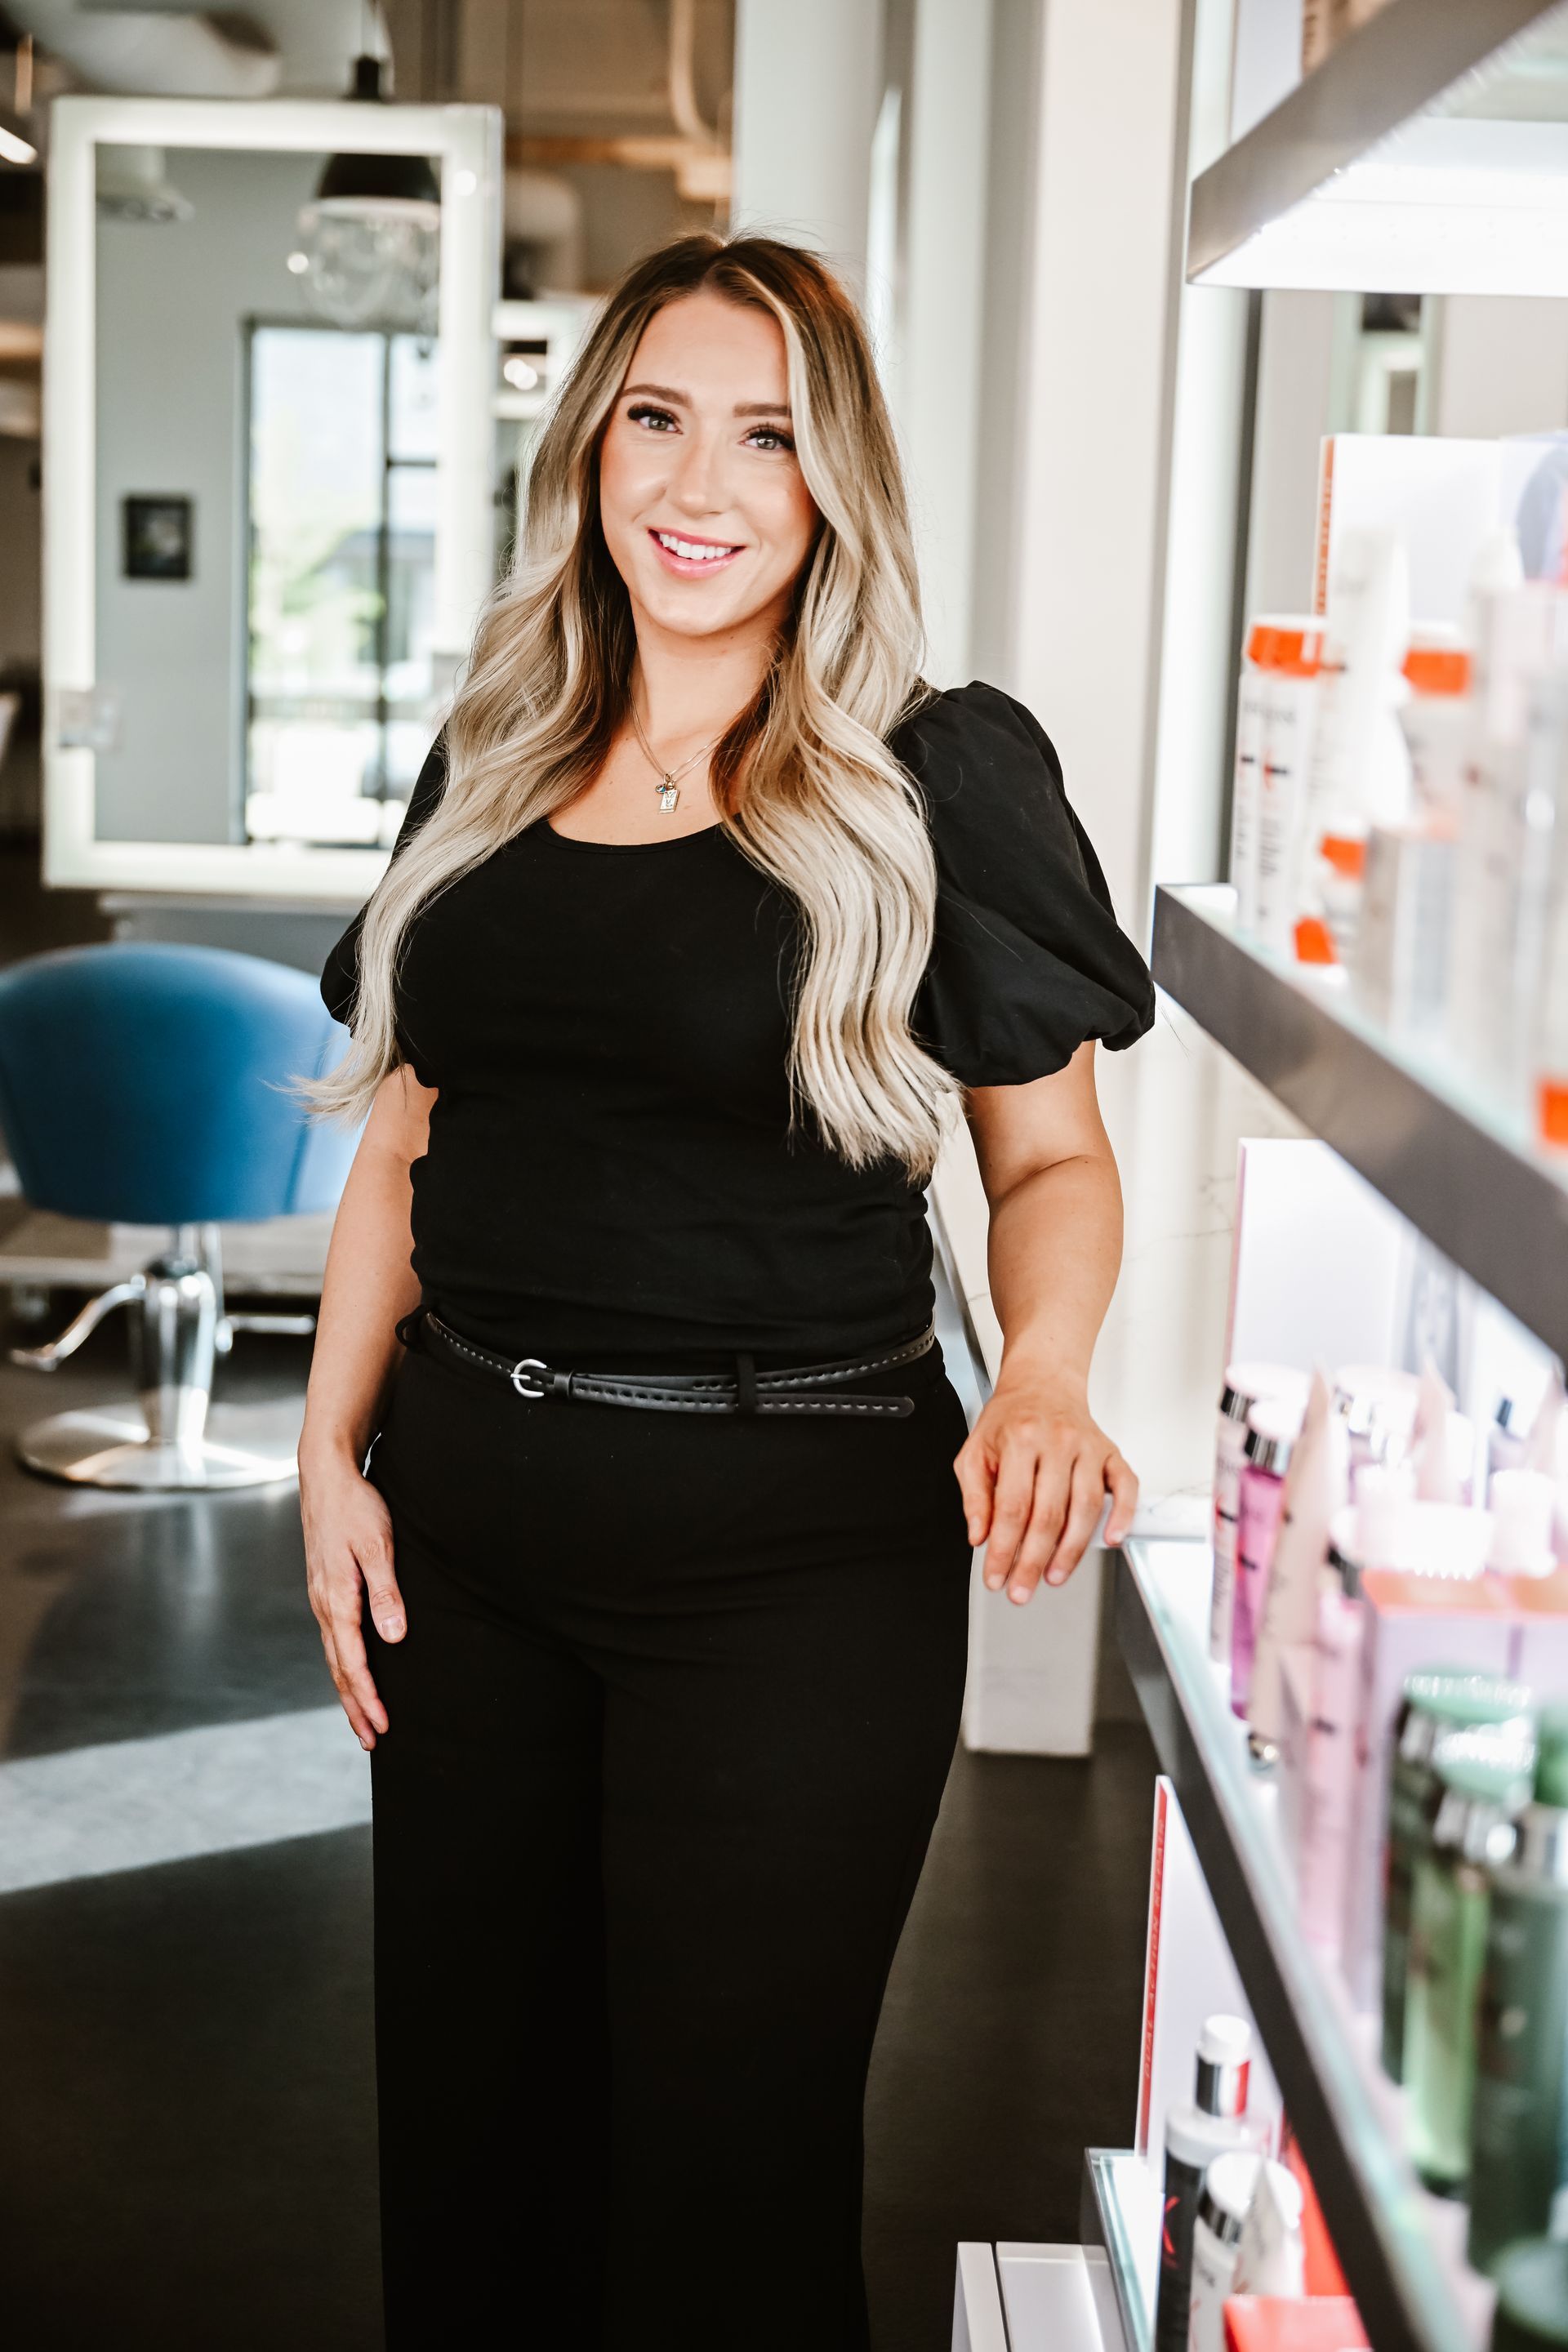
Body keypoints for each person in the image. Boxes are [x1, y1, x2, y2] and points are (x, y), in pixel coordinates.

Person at [300, 232, 1154, 2351]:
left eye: (764, 434)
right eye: (655, 418)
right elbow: (408, 1136)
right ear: (591, 448)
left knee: (722, 2195)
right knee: (472, 2169)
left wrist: (1042, 1373)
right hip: (470, 1550)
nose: (700, 483)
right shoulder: (495, 750)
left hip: (794, 1568)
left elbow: (1047, 1157)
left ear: (831, 479)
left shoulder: (932, 770)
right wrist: (324, 1456)